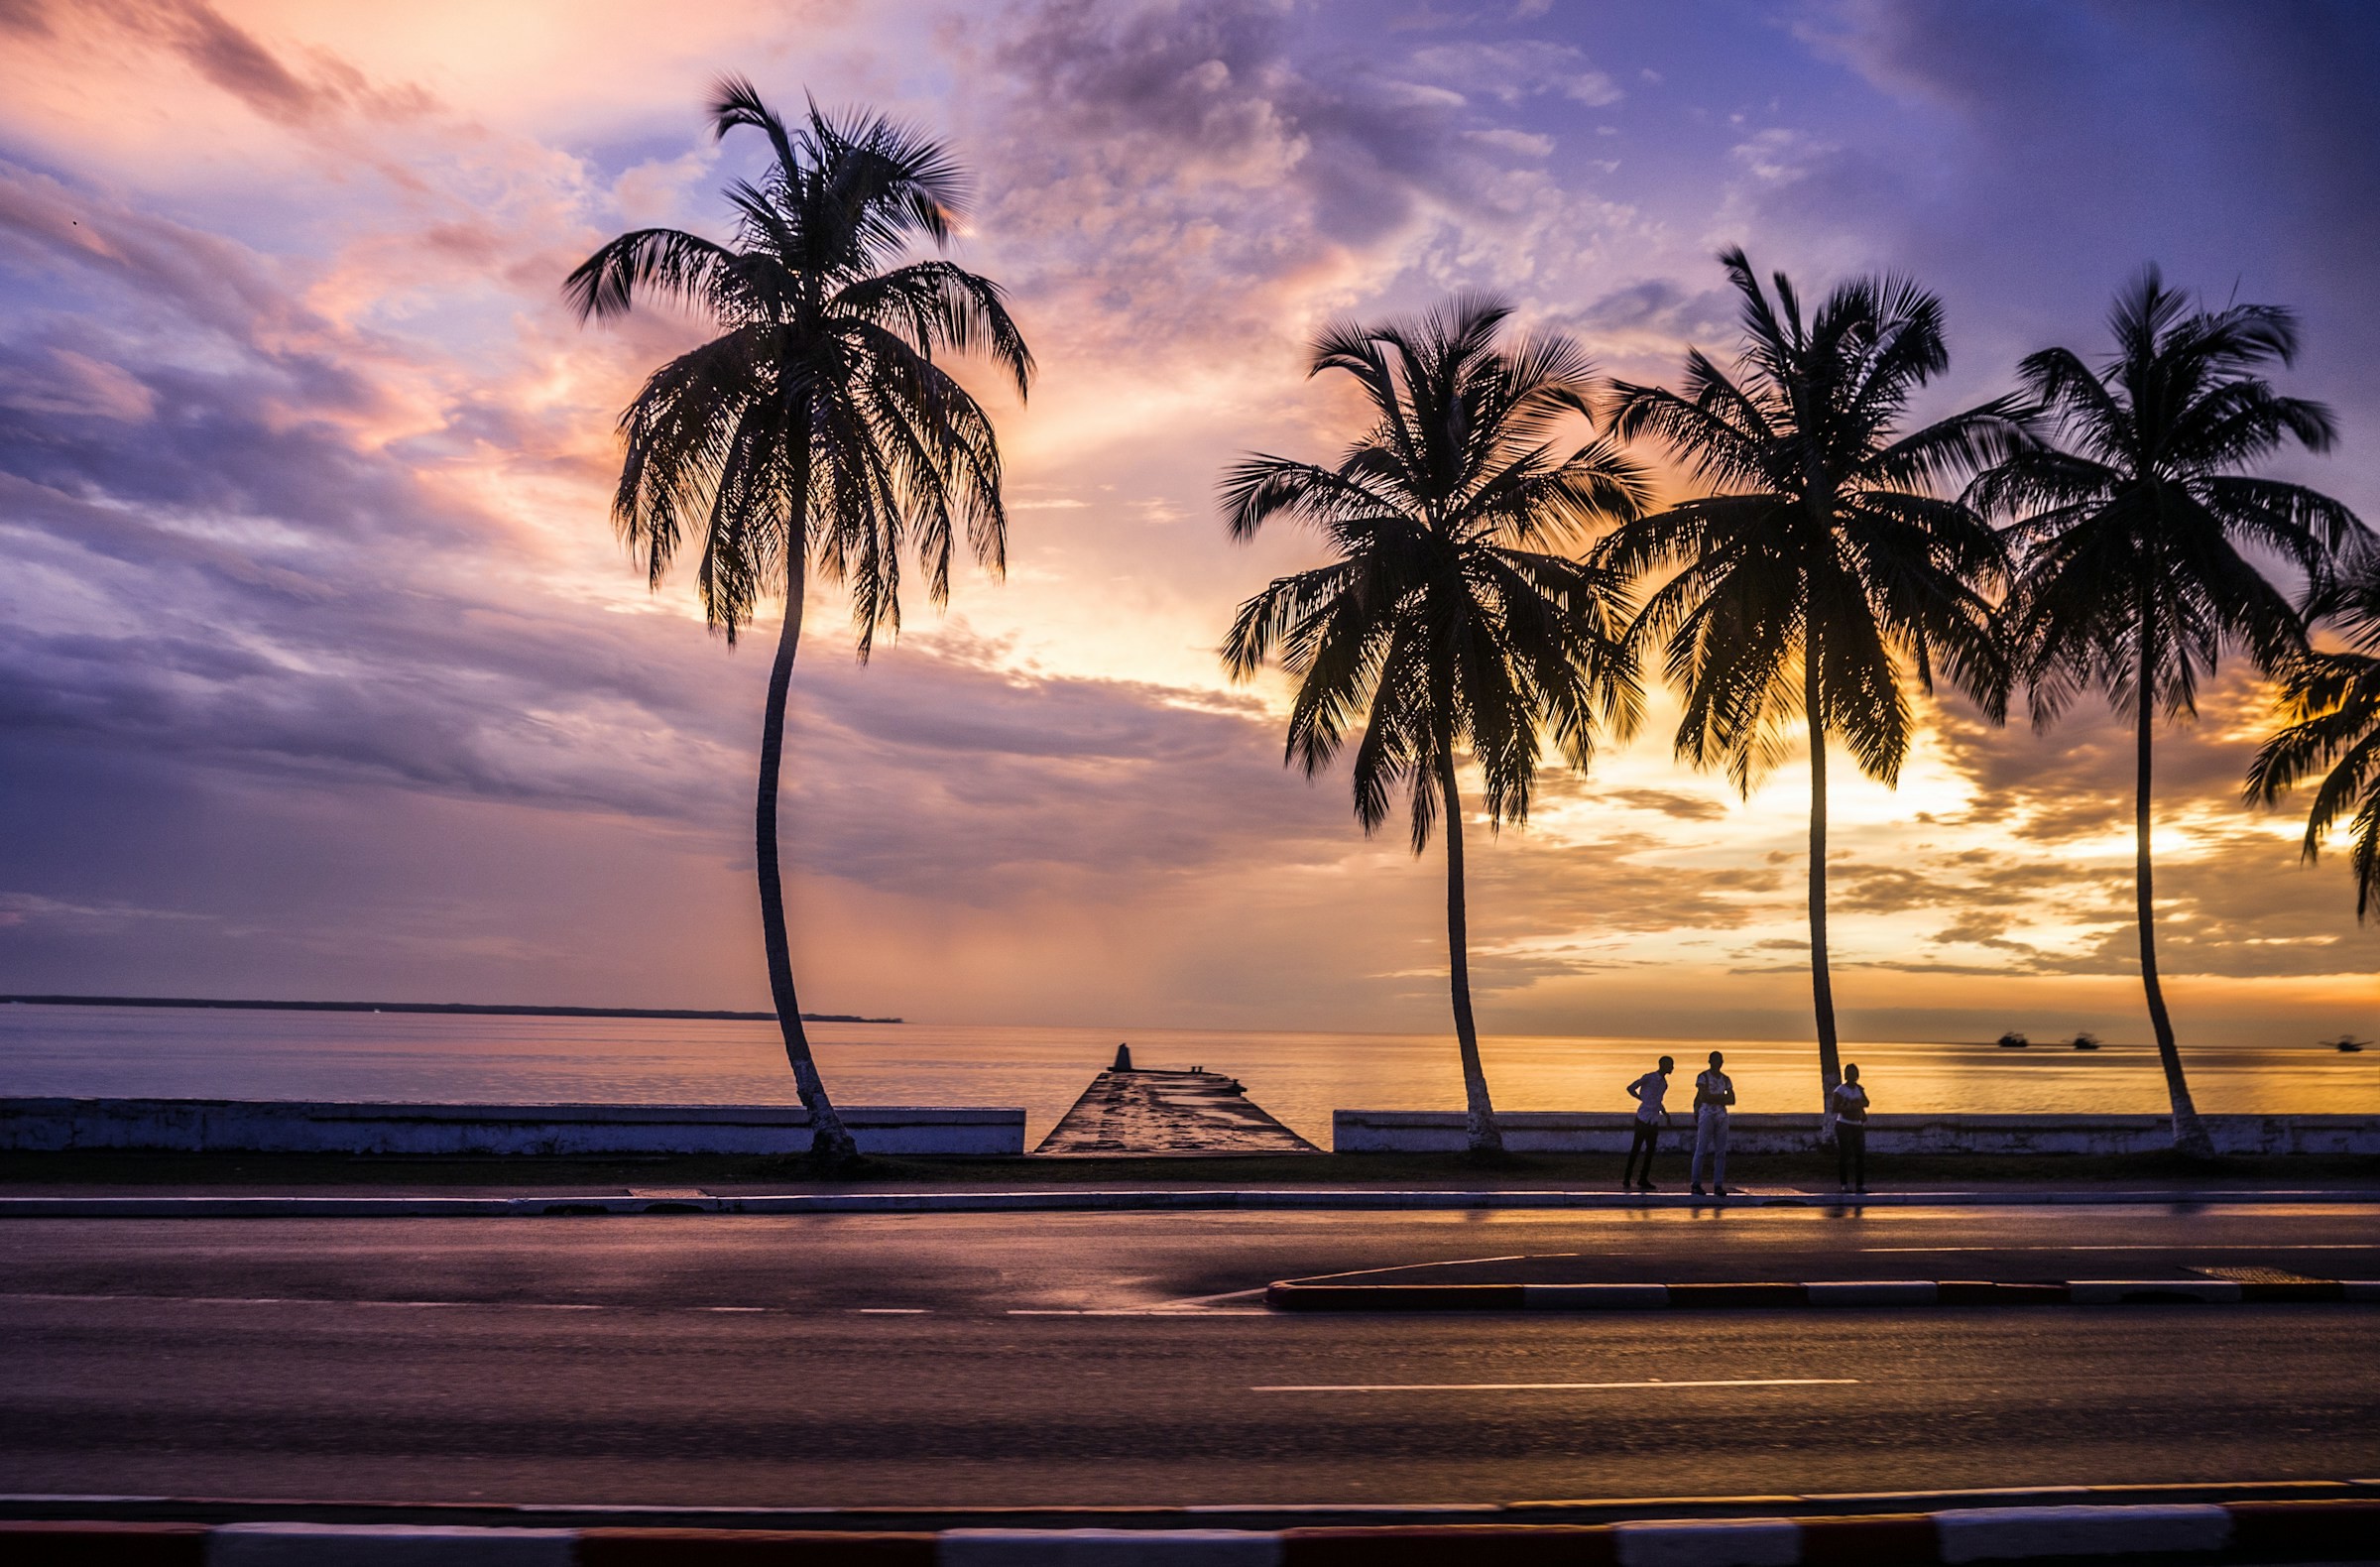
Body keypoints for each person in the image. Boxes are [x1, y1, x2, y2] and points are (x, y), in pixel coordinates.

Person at [1621, 1055, 1674, 1191]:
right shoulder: (1649, 1078)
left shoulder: (1664, 1084)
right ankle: (1627, 1178)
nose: (1672, 1068)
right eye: (1670, 1065)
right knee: (1636, 1149)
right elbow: (1631, 1088)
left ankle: (1643, 1179)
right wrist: (1641, 1099)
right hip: (1643, 1119)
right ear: (1663, 1065)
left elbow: (1658, 1101)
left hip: (1654, 1120)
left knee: (1650, 1151)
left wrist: (1666, 1114)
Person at [1690, 1049, 1735, 1196]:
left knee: (1721, 1152)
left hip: (1721, 1117)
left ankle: (1718, 1185)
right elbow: (1704, 1097)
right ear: (1710, 1061)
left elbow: (1732, 1100)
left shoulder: (1726, 1079)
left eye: (1720, 1061)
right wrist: (1722, 1098)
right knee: (1701, 1150)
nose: (1718, 1063)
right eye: (1716, 1060)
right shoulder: (1703, 1077)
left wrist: (1713, 1098)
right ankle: (1695, 1184)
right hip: (1707, 1115)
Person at [1830, 1063, 1870, 1192]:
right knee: (1845, 1155)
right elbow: (1834, 1108)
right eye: (1850, 1073)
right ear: (1847, 1075)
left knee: (1860, 1155)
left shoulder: (1859, 1089)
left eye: (1855, 1073)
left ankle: (1860, 1185)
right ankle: (1844, 1185)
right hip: (1844, 1125)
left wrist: (1860, 1107)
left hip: (1857, 1125)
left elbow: (1866, 1102)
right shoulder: (1840, 1090)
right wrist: (1848, 1106)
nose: (1853, 1076)